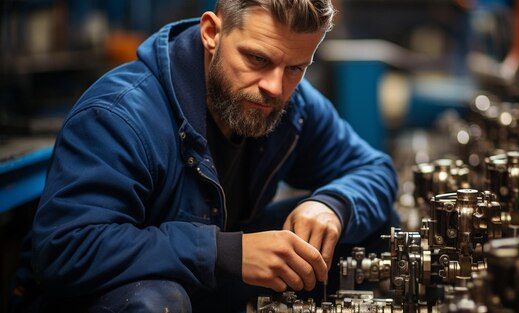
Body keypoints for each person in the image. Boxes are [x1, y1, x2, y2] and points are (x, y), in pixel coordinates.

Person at [10, 0, 398, 312]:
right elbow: (65, 249)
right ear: (212, 32)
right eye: (257, 60)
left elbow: (374, 168)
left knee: (371, 229)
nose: (275, 87)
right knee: (157, 302)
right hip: (117, 295)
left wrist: (333, 205)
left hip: (206, 284)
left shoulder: (292, 105)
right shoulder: (119, 115)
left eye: (296, 67)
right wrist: (224, 252)